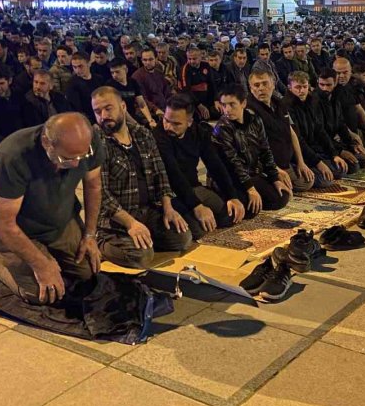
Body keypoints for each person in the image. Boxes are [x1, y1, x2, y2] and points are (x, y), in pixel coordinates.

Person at [0, 113, 104, 305]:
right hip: (15, 227)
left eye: (81, 156)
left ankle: (44, 253)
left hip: (57, 218)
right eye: (67, 158)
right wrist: (41, 264)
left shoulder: (89, 140)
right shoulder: (12, 157)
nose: (76, 163)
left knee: (86, 273)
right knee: (41, 293)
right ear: (46, 142)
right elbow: (3, 224)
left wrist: (90, 235)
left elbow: (93, 185)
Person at [91, 87, 195, 268]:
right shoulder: (96, 143)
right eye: (97, 111)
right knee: (140, 257)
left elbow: (161, 174)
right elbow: (101, 194)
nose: (103, 115)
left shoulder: (142, 134)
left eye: (108, 108)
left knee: (184, 238)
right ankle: (101, 244)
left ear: (123, 107)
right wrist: (131, 224)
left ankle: (145, 237)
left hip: (147, 211)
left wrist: (168, 208)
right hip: (117, 220)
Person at [154, 94, 246, 231]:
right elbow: (173, 173)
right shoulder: (158, 136)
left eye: (176, 124)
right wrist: (196, 206)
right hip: (170, 193)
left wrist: (232, 196)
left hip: (194, 187)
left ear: (189, 122)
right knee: (196, 228)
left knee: (232, 213)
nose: (169, 127)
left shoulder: (198, 132)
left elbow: (215, 165)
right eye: (166, 120)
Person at [212, 84, 292, 217]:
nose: (227, 110)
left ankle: (253, 200)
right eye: (224, 105)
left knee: (281, 197)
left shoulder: (255, 120)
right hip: (232, 177)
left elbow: (265, 151)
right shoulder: (222, 128)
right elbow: (233, 162)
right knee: (249, 209)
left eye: (232, 105)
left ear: (243, 103)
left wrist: (274, 178)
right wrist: (251, 188)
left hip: (252, 173)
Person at [247, 68, 315, 192]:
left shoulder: (279, 103)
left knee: (308, 181)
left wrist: (301, 161)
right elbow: (253, 148)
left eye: (265, 83)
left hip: (286, 161)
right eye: (256, 85)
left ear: (273, 84)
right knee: (282, 196)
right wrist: (275, 169)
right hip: (265, 166)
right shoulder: (249, 110)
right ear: (251, 88)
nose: (261, 88)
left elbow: (291, 132)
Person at [107, 58, 157, 129]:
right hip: (120, 119)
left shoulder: (133, 82)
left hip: (133, 115)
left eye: (117, 72)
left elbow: (141, 104)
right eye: (112, 73)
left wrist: (150, 120)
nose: (114, 75)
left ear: (125, 70)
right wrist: (136, 125)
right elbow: (121, 110)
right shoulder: (110, 86)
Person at [132, 47, 172, 118]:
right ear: (141, 60)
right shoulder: (137, 76)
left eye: (150, 59)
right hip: (151, 112)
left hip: (165, 107)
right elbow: (142, 99)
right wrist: (156, 110)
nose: (148, 62)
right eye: (145, 60)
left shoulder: (159, 72)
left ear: (156, 59)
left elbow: (167, 92)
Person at [66, 53, 105, 123]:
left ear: (89, 63)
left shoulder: (100, 79)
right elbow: (76, 109)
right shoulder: (72, 84)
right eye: (74, 67)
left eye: (80, 66)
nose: (77, 70)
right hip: (86, 121)